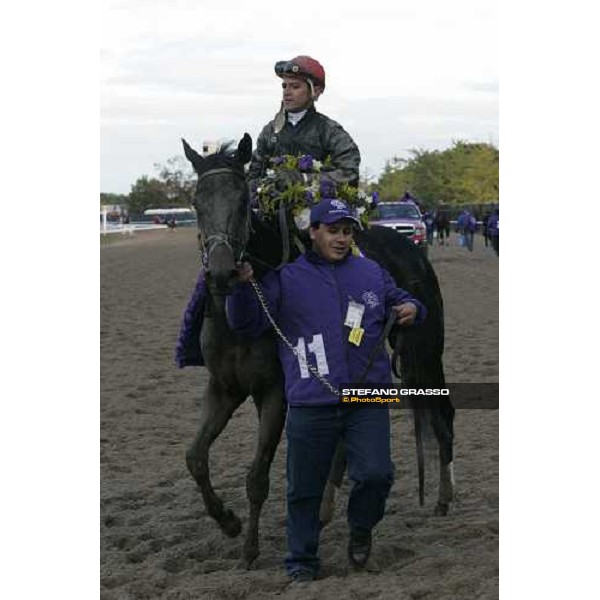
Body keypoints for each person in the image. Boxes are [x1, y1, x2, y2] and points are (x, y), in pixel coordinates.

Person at [226, 198, 427, 583]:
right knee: (304, 488)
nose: (341, 238)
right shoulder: (285, 278)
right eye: (333, 230)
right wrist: (239, 289)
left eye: (347, 231)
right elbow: (246, 322)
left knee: (376, 474)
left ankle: (361, 530)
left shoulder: (371, 272)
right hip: (310, 400)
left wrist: (413, 308)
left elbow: (402, 300)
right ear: (313, 231)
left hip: (368, 397)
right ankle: (301, 559)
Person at [247, 55, 361, 195]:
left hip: (320, 211)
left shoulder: (330, 131)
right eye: (284, 86)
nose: (287, 92)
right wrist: (267, 186)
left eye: (295, 86)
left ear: (316, 91)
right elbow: (252, 178)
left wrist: (304, 179)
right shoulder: (270, 131)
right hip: (273, 211)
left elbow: (349, 173)